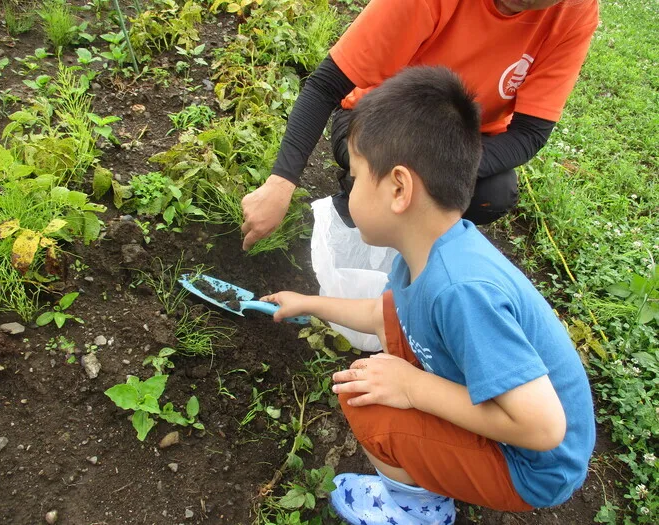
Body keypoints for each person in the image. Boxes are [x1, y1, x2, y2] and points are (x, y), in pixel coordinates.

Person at [259, 67, 595, 525]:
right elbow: (384, 317)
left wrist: (412, 387)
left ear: (399, 189)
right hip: (517, 430)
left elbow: (543, 428)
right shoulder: (429, 250)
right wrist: (309, 302)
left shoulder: (461, 290)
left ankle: (417, 511)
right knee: (395, 339)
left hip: (531, 465)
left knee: (371, 403)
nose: (349, 189)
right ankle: (428, 473)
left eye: (355, 176)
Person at [241, 0, 599, 250]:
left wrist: (437, 172)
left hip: (461, 139)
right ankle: (357, 197)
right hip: (380, 118)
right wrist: (280, 182)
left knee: (493, 195)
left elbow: (530, 133)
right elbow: (326, 84)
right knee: (387, 175)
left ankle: (415, 241)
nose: (517, 4)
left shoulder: (575, 13)